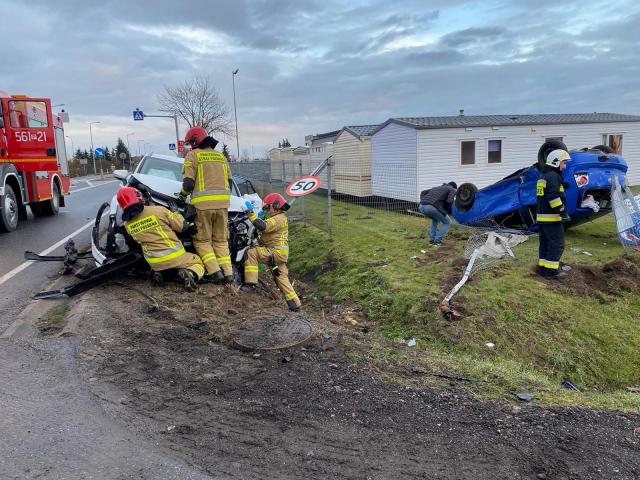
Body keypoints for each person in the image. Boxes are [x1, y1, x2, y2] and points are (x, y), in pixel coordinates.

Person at [117, 186, 204, 290]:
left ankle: (161, 274)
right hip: (175, 256)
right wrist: (175, 212)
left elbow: (137, 241)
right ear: (139, 197)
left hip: (154, 262)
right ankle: (191, 274)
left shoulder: (127, 224)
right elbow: (182, 227)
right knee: (197, 261)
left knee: (167, 266)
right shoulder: (159, 210)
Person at [180, 126, 233, 284]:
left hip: (203, 207)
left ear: (195, 140)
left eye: (190, 143)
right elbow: (229, 182)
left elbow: (188, 184)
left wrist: (182, 195)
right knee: (221, 241)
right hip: (223, 206)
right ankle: (228, 274)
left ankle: (216, 273)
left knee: (202, 241)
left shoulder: (193, 155)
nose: (190, 146)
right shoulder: (221, 156)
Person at [241, 193, 301, 312]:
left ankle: (250, 284)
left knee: (251, 253)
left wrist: (251, 214)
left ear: (275, 206)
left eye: (268, 208)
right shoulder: (280, 217)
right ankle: (295, 304)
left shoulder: (278, 219)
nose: (267, 211)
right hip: (280, 253)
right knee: (281, 277)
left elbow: (264, 227)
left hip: (275, 252)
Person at [536, 147, 571, 278]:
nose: (565, 166)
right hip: (552, 218)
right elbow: (553, 197)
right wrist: (562, 212)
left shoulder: (544, 176)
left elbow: (547, 194)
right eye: (564, 163)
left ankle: (543, 268)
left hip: (542, 217)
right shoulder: (554, 176)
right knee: (557, 244)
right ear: (556, 162)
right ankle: (551, 272)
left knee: (545, 243)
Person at [419, 181, 457, 246]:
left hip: (421, 206)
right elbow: (449, 201)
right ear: (454, 188)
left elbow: (423, 192)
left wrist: (424, 201)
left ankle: (432, 240)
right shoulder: (452, 189)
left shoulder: (437, 187)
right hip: (432, 207)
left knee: (435, 220)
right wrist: (449, 212)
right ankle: (437, 241)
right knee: (447, 222)